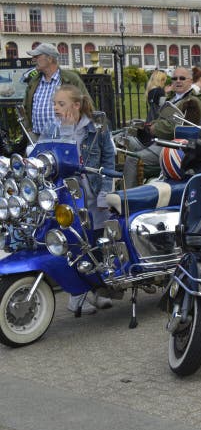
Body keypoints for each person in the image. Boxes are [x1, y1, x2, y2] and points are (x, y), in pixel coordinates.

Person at [50, 84, 115, 314]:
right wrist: (65, 132)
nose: (56, 108)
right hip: (66, 195)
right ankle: (77, 294)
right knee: (72, 242)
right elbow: (54, 160)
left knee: (95, 241)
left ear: (76, 105)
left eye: (61, 103)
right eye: (54, 104)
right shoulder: (54, 128)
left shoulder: (96, 127)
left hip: (92, 191)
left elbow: (108, 159)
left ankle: (96, 291)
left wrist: (105, 191)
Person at [122, 67, 201, 188]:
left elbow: (185, 129)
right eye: (174, 78)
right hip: (159, 142)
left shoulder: (192, 102)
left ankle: (128, 200)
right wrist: (149, 125)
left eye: (182, 78)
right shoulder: (172, 98)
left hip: (174, 147)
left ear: (190, 81)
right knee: (126, 145)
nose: (178, 81)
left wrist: (155, 128)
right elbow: (163, 120)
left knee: (132, 159)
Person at [23, 43, 90, 139]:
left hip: (65, 135)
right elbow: (25, 107)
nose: (33, 59)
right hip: (36, 137)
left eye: (37, 56)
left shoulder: (70, 79)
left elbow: (86, 105)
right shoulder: (34, 81)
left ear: (49, 59)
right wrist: (29, 130)